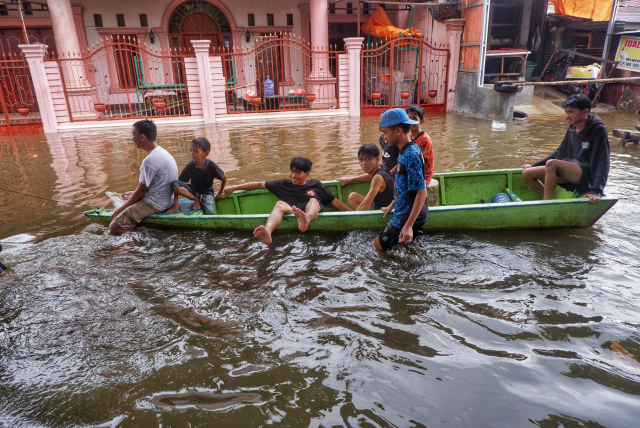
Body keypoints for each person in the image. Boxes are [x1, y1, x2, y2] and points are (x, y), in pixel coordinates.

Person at [223, 157, 352, 244]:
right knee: (279, 204)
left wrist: (353, 214)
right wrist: (235, 187)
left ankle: (305, 219)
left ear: (307, 173)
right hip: (294, 210)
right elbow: (259, 184)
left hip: (311, 211)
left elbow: (334, 201)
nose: (293, 175)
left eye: (298, 172)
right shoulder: (283, 184)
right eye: (292, 171)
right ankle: (268, 232)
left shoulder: (315, 184)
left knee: (313, 201)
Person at [522, 94, 610, 203]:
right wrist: (534, 166)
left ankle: (547, 204)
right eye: (566, 112)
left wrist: (596, 189)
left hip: (586, 174)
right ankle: (550, 200)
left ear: (584, 111)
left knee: (552, 163)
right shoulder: (572, 127)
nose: (567, 115)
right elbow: (559, 152)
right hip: (569, 170)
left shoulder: (597, 129)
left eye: (571, 112)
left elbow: (602, 160)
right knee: (527, 173)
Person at [109, 120, 179, 235]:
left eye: (133, 134)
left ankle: (146, 234)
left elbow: (142, 191)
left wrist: (121, 210)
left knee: (114, 227)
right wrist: (133, 193)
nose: (132, 138)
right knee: (129, 199)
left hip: (155, 204)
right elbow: (152, 186)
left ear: (142, 137)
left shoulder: (149, 161)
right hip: (168, 200)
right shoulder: (163, 153)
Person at [373, 108, 429, 252]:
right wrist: (392, 203)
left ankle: (390, 273)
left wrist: (409, 224)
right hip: (404, 210)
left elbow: (421, 193)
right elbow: (403, 185)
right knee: (406, 249)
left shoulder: (411, 154)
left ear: (398, 130)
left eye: (385, 132)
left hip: (407, 215)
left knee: (377, 246)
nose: (384, 137)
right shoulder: (403, 150)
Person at [168, 137, 227, 215]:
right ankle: (196, 200)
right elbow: (178, 182)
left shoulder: (212, 166)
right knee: (174, 184)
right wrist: (175, 202)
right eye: (191, 150)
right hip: (193, 192)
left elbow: (224, 177)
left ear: (205, 154)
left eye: (196, 151)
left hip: (207, 194)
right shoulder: (190, 166)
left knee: (209, 212)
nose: (192, 153)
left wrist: (220, 192)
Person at [339, 144, 394, 211]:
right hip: (381, 204)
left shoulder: (377, 178)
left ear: (377, 159)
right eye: (361, 160)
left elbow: (365, 205)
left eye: (368, 159)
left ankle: (368, 221)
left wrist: (352, 219)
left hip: (386, 210)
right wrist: (350, 179)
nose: (364, 163)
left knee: (363, 207)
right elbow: (369, 176)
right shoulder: (381, 167)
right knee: (352, 197)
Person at [406, 105, 434, 185]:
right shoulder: (408, 136)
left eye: (414, 118)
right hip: (413, 171)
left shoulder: (425, 139)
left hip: (424, 175)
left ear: (421, 121)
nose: (411, 121)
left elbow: (422, 161)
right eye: (409, 118)